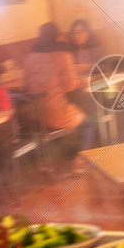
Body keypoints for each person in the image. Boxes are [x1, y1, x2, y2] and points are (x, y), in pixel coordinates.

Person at [23, 22, 93, 151]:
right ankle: (84, 159)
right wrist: (80, 81)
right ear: (59, 37)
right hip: (57, 115)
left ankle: (64, 154)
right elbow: (70, 86)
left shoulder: (29, 58)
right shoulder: (63, 55)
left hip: (35, 118)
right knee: (88, 123)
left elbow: (27, 85)